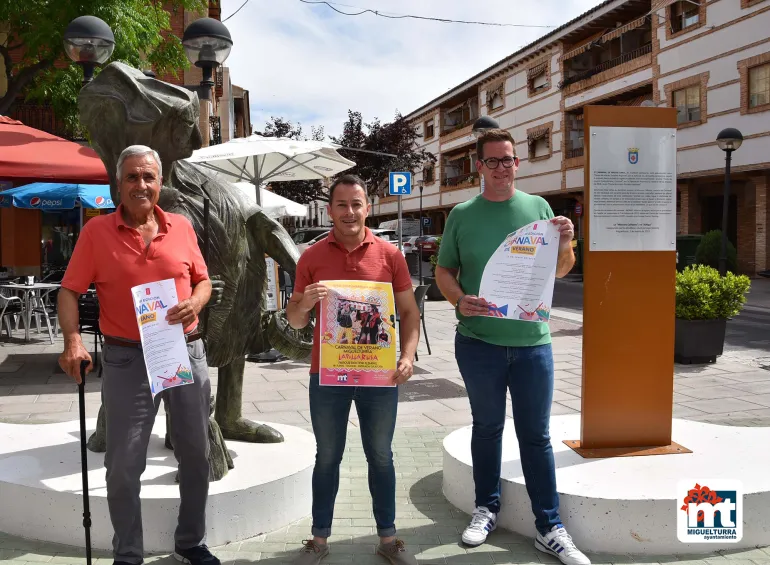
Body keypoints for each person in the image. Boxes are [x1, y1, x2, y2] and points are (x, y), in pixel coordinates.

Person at [434, 129, 590, 565]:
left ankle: (549, 526)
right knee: (486, 429)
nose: (504, 167)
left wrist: (566, 241)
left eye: (510, 160)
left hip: (532, 344)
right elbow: (445, 271)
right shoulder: (462, 214)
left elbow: (561, 271)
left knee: (536, 437)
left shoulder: (539, 209)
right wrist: (457, 298)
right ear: (479, 167)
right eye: (495, 161)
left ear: (517, 164)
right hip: (478, 342)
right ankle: (486, 508)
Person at [57, 145, 218, 565]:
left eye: (148, 177)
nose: (141, 184)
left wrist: (196, 303)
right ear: (118, 185)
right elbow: (69, 291)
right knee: (123, 465)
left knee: (196, 456)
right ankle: (128, 552)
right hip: (128, 359)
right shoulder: (96, 233)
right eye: (132, 177)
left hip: (183, 349)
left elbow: (204, 282)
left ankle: (191, 542)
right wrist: (72, 340)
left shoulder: (181, 227)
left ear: (160, 183)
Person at [286, 174, 421, 565]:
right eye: (341, 205)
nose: (350, 212)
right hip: (327, 376)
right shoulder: (311, 258)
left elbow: (409, 313)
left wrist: (408, 357)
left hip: (380, 376)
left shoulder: (389, 255)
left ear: (368, 207)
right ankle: (319, 539)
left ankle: (388, 539)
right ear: (330, 210)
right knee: (327, 456)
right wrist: (304, 303)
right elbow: (294, 321)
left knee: (381, 455)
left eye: (356, 204)